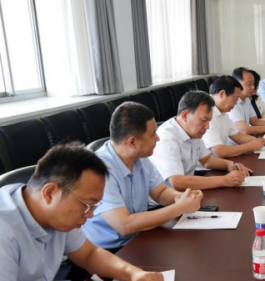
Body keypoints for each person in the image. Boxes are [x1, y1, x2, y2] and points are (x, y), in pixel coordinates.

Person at [0, 143, 165, 281]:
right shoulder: (4, 234)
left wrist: (134, 273)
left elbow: (89, 254)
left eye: (94, 207)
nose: (90, 215)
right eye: (87, 205)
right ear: (50, 192)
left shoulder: (54, 215)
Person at [82, 102, 203, 251]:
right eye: (153, 134)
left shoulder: (141, 157)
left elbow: (161, 193)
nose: (158, 138)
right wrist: (179, 208)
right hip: (108, 251)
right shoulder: (99, 170)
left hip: (138, 238)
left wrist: (183, 197)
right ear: (132, 142)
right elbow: (124, 225)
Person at [150, 90, 251, 191]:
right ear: (185, 115)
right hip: (169, 197)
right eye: (203, 120)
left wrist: (229, 164)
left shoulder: (192, 131)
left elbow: (206, 160)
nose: (207, 126)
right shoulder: (167, 138)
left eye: (209, 121)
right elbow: (177, 182)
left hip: (187, 192)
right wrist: (225, 180)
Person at [204, 75, 265, 159]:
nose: (236, 103)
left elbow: (238, 136)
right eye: (235, 99)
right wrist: (250, 146)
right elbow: (219, 151)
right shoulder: (207, 115)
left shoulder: (223, 113)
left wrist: (263, 141)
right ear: (222, 94)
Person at [230, 67, 265, 135]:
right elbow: (244, 130)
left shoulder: (247, 99)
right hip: (239, 140)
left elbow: (255, 121)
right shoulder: (232, 102)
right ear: (237, 83)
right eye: (249, 84)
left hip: (246, 138)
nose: (253, 87)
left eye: (253, 84)